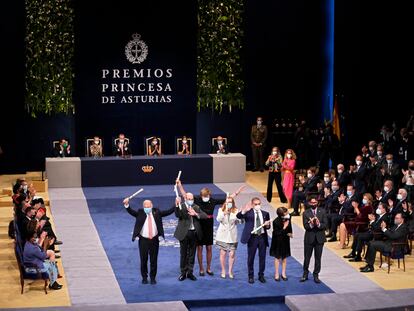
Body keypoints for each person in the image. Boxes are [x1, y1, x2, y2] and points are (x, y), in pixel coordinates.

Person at [176, 180, 244, 276]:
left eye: (206, 196)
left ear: (209, 195)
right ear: (201, 195)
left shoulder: (213, 200)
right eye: (203, 196)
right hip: (199, 224)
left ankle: (208, 268)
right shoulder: (197, 199)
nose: (205, 198)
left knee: (209, 248)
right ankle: (201, 269)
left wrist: (237, 193)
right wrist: (180, 185)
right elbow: (185, 195)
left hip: (209, 225)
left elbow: (227, 199)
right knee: (199, 248)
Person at [123, 198, 175, 284]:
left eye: (148, 206)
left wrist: (176, 204)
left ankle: (153, 277)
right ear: (143, 207)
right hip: (143, 241)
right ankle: (144, 277)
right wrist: (127, 205)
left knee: (153, 260)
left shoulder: (157, 212)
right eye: (145, 206)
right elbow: (131, 212)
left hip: (154, 240)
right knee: (143, 260)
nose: (147, 207)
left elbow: (168, 212)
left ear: (152, 206)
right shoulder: (140, 213)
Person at [174, 193, 208, 281]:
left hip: (194, 233)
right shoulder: (181, 206)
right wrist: (177, 205)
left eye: (192, 199)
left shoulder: (196, 207)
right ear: (185, 198)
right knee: (184, 254)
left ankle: (190, 272)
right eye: (189, 198)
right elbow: (178, 215)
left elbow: (205, 215)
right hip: (184, 233)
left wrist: (196, 214)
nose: (190, 200)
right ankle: (183, 272)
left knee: (192, 254)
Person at [237, 197, 271, 283]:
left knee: (262, 257)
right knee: (251, 257)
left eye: (259, 204)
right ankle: (251, 276)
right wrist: (244, 211)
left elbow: (268, 226)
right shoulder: (248, 213)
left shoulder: (265, 213)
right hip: (252, 238)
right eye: (255, 204)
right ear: (252, 205)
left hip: (262, 237)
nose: (257, 206)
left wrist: (267, 225)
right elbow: (239, 216)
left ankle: (261, 275)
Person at [300, 196, 327, 284]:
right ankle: (305, 274)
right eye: (312, 203)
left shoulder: (322, 211)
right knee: (307, 257)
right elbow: (306, 226)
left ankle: (316, 275)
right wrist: (311, 224)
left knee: (318, 258)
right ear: (309, 203)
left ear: (317, 203)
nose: (313, 204)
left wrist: (318, 224)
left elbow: (325, 225)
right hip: (309, 238)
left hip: (320, 238)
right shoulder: (306, 213)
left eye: (315, 202)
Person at [215, 197, 242, 279]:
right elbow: (218, 219)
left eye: (230, 202)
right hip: (222, 236)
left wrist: (240, 215)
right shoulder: (221, 210)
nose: (229, 204)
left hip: (232, 236)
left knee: (232, 254)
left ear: (232, 203)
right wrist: (224, 213)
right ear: (225, 203)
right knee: (223, 254)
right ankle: (223, 270)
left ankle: (230, 271)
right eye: (227, 202)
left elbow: (239, 222)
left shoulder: (236, 210)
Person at [270, 207, 292, 281]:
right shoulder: (276, 221)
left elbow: (290, 227)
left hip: (285, 240)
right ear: (281, 214)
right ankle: (276, 273)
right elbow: (276, 233)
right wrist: (284, 227)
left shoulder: (288, 218)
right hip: (277, 241)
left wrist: (290, 233)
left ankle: (283, 273)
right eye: (286, 212)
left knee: (284, 257)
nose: (288, 213)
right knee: (277, 257)